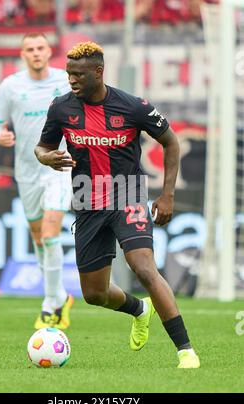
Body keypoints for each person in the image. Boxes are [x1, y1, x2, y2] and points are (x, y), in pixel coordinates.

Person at [34, 41, 200, 368]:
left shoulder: (132, 106)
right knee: (94, 294)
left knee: (143, 267)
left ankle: (186, 351)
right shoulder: (61, 108)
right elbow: (42, 147)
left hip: (128, 194)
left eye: (78, 74)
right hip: (86, 198)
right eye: (68, 74)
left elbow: (171, 142)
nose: (71, 80)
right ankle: (139, 310)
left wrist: (167, 194)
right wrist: (46, 158)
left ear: (98, 72)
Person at [0, 33, 74, 330]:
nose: (35, 53)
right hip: (26, 172)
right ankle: (59, 294)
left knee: (50, 234)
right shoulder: (12, 86)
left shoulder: (65, 82)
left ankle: (51, 303)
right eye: (29, 49)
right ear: (22, 54)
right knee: (38, 238)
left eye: (40, 48)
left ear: (50, 51)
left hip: (58, 167)